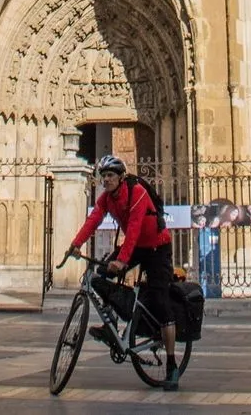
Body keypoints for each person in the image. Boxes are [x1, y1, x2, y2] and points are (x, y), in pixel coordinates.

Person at [69, 155, 180, 391]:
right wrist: (75, 244)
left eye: (110, 175)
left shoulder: (137, 191)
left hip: (157, 247)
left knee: (161, 302)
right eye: (103, 176)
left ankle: (172, 365)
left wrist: (121, 260)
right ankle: (111, 322)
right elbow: (93, 220)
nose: (106, 180)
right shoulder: (107, 199)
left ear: (120, 177)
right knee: (99, 275)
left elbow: (134, 228)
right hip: (136, 247)